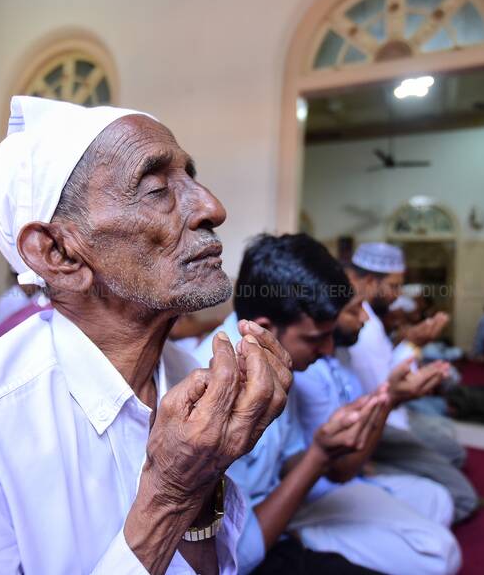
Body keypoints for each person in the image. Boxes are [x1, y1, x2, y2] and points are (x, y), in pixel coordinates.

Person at [0, 96, 293, 574]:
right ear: (58, 253)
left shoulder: (197, 386)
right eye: (156, 189)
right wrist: (170, 495)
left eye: (191, 177)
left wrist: (201, 487)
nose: (212, 206)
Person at [196, 234, 461, 575]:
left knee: (437, 502)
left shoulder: (272, 355)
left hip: (292, 504)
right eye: (316, 339)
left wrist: (341, 437)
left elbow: (292, 462)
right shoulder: (213, 387)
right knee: (437, 556)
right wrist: (320, 455)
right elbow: (238, 555)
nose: (326, 351)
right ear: (264, 328)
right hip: (258, 537)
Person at [295, 281, 480, 523]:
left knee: (448, 463)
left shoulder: (345, 347)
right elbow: (337, 467)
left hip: (368, 442)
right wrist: (409, 353)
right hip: (344, 469)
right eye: (355, 310)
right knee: (450, 510)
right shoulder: (311, 363)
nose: (364, 318)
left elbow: (374, 397)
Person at [347, 243, 465, 467]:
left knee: (447, 433)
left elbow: (385, 364)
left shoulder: (371, 317)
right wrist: (413, 344)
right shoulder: (365, 326)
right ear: (371, 282)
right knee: (454, 455)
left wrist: (409, 342)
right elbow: (384, 388)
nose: (398, 295)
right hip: (382, 420)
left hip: (393, 414)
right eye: (394, 286)